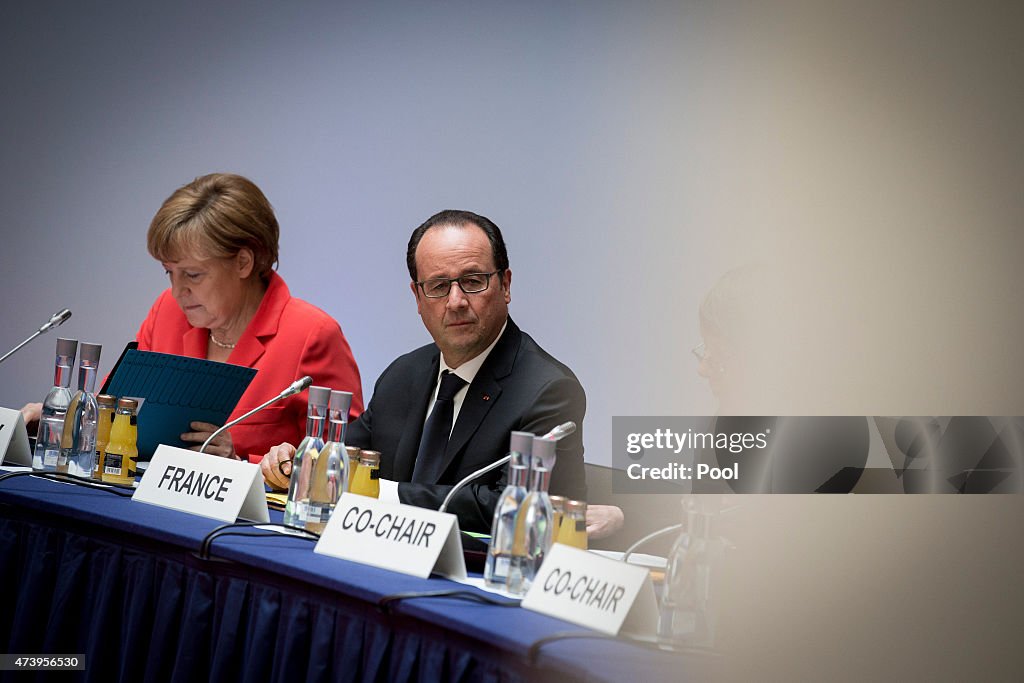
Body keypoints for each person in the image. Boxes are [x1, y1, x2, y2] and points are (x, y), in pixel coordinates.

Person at [261, 209, 586, 532]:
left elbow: (518, 508)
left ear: (505, 285)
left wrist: (384, 493)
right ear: (418, 297)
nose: (456, 301)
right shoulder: (402, 375)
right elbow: (345, 458)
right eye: (438, 286)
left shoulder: (547, 390)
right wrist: (298, 463)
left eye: (473, 282)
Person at [24, 173, 363, 461]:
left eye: (193, 275)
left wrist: (241, 458)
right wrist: (63, 421)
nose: (177, 291)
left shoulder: (311, 335)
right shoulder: (167, 312)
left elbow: (343, 457)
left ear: (244, 263)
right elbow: (115, 409)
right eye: (169, 273)